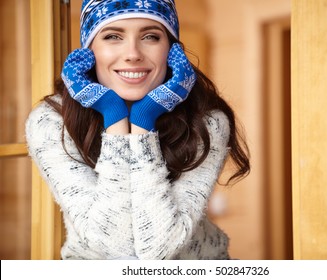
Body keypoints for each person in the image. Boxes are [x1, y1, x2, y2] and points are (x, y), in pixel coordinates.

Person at [26, 0, 250, 260]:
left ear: (170, 50)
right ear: (89, 50)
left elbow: (160, 250)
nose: (133, 53)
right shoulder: (52, 122)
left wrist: (143, 123)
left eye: (150, 36)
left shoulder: (207, 121)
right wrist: (114, 116)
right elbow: (112, 247)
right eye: (112, 36)